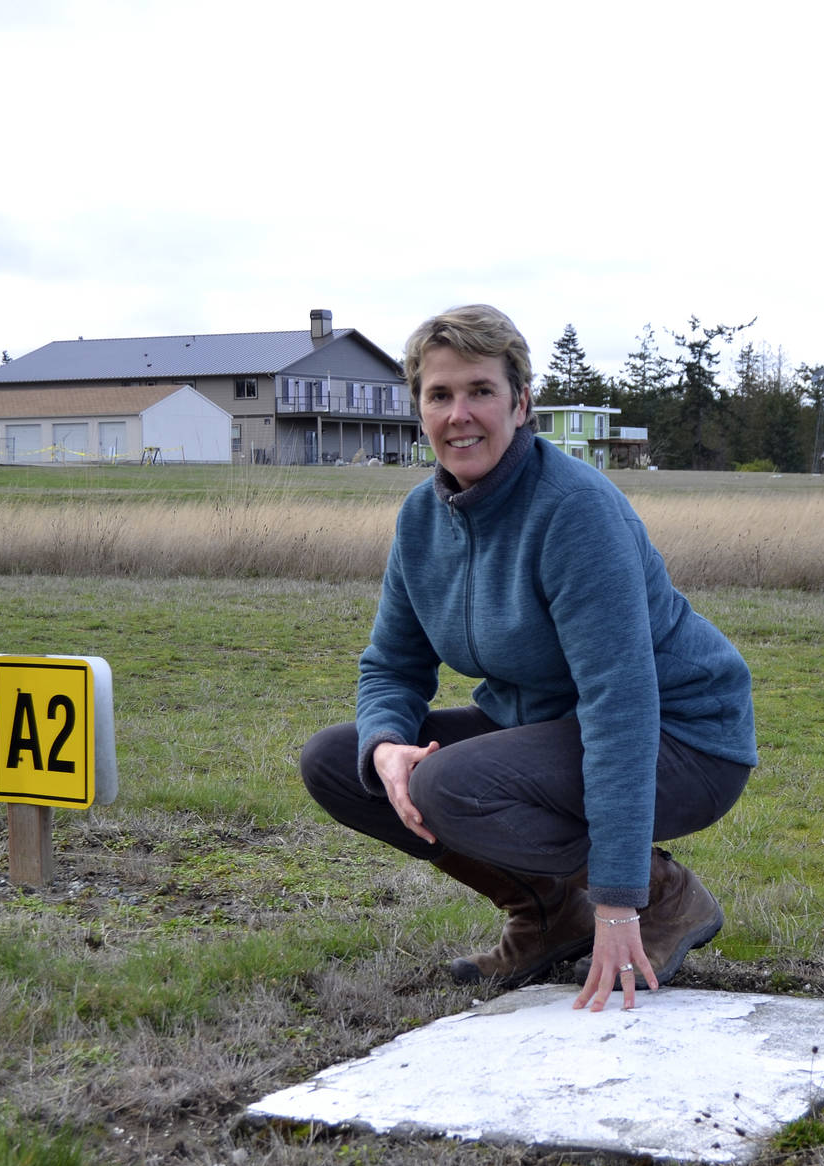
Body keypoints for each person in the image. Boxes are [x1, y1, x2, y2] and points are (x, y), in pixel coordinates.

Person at [299, 305, 757, 1013]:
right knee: (340, 760)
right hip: (552, 726)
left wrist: (617, 899)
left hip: (682, 738)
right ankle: (545, 914)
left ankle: (667, 896)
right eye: (440, 394)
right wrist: (387, 743)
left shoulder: (573, 509)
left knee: (450, 785)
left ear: (520, 402)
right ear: (418, 408)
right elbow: (391, 664)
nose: (460, 414)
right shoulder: (423, 519)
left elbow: (620, 705)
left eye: (481, 390)